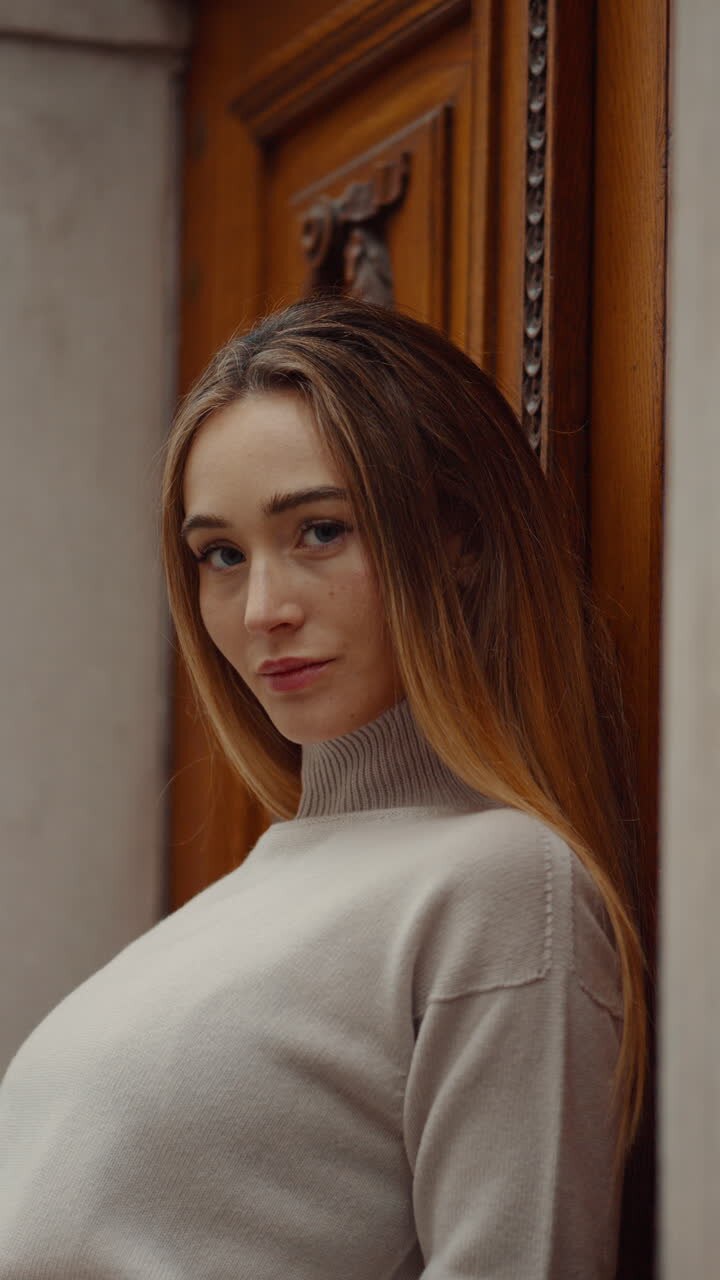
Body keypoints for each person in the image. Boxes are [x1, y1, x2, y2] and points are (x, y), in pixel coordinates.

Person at [0, 295, 647, 1277]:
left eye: (319, 531)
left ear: (460, 535)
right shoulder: (238, 901)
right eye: (221, 554)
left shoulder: (507, 886)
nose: (263, 608)